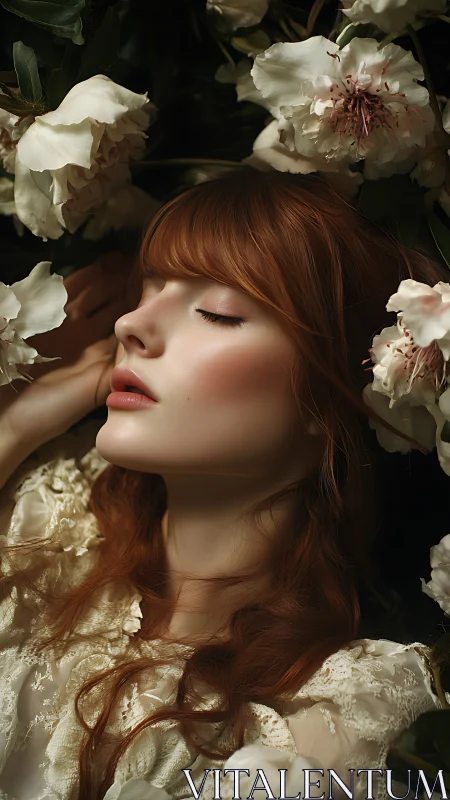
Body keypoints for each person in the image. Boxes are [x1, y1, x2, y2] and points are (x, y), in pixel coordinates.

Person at [0, 169, 446, 800]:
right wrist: (20, 419)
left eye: (217, 311)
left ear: (336, 399)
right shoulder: (37, 522)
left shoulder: (333, 719)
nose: (131, 324)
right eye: (147, 290)